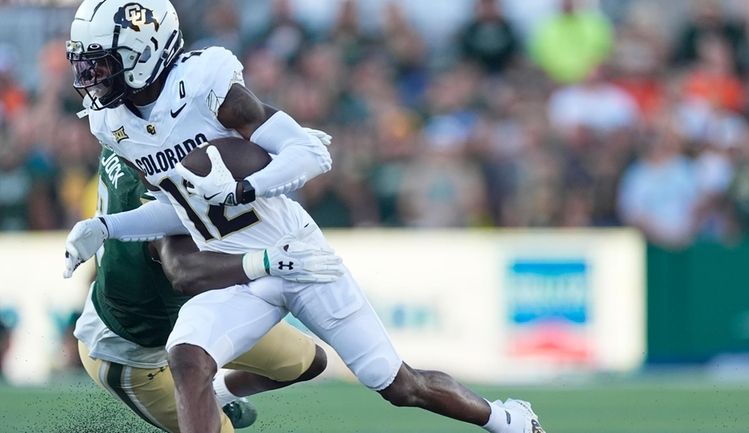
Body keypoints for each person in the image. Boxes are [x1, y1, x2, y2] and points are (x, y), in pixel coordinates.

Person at [62, 1, 545, 433]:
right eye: (88, 64)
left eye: (104, 63)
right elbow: (179, 210)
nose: (93, 77)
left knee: (398, 385)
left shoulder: (203, 84)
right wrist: (105, 227)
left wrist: (241, 188)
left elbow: (309, 152)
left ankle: (507, 419)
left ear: (144, 52)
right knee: (188, 358)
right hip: (240, 272)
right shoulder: (115, 124)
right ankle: (221, 401)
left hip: (298, 257)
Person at [74, 145, 334, 433]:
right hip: (133, 353)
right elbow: (183, 273)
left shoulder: (119, 133)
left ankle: (218, 396)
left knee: (308, 362)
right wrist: (264, 262)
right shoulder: (153, 190)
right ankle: (204, 404)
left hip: (188, 315)